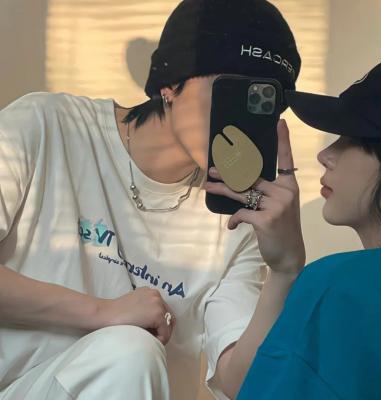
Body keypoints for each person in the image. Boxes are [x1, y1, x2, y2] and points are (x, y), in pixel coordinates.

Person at [0, 0, 303, 399]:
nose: (238, 122)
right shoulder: (47, 125)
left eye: (261, 104)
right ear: (170, 84)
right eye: (230, 92)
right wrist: (104, 313)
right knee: (130, 351)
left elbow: (239, 382)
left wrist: (285, 270)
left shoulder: (236, 217)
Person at [207, 57, 381, 399]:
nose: (326, 154)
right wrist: (285, 269)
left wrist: (288, 273)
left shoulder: (339, 289)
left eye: (355, 138)